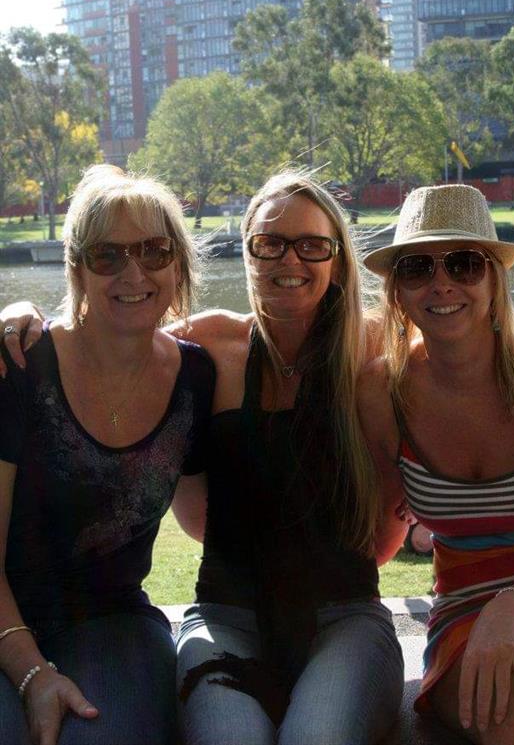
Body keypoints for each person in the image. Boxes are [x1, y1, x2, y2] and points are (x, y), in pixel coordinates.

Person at [1, 171, 407, 745]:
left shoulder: (378, 355)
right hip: (224, 619)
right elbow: (115, 327)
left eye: (312, 244)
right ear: (245, 252)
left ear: (338, 259)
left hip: (344, 619)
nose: (289, 258)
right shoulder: (211, 349)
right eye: (268, 243)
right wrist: (21, 313)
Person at [0, 165, 215, 745]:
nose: (133, 272)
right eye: (107, 255)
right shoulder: (22, 367)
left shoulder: (195, 375)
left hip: (113, 623)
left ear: (178, 263)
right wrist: (32, 673)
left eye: (154, 250)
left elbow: (202, 521)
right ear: (76, 267)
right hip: (4, 620)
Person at [358, 184, 514, 745]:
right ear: (397, 291)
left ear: (493, 278)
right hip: (464, 613)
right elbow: (380, 532)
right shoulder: (380, 391)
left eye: (464, 263)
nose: (442, 284)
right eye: (417, 267)